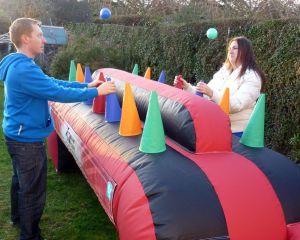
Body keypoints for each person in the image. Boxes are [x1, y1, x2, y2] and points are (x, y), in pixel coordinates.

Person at [0, 18, 116, 240]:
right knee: (32, 190)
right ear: (25, 38)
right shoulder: (24, 69)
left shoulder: (18, 63)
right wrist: (96, 93)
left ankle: (17, 217)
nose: (43, 39)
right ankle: (30, 235)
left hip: (16, 133)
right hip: (26, 140)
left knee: (20, 181)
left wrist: (85, 85)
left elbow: (51, 83)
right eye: (39, 35)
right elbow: (57, 93)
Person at [174, 36, 266, 136]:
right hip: (216, 126)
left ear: (245, 52)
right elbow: (204, 95)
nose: (230, 51)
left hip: (237, 133)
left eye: (235, 48)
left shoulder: (253, 77)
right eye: (229, 48)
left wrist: (211, 93)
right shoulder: (224, 71)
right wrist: (187, 87)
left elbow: (237, 104)